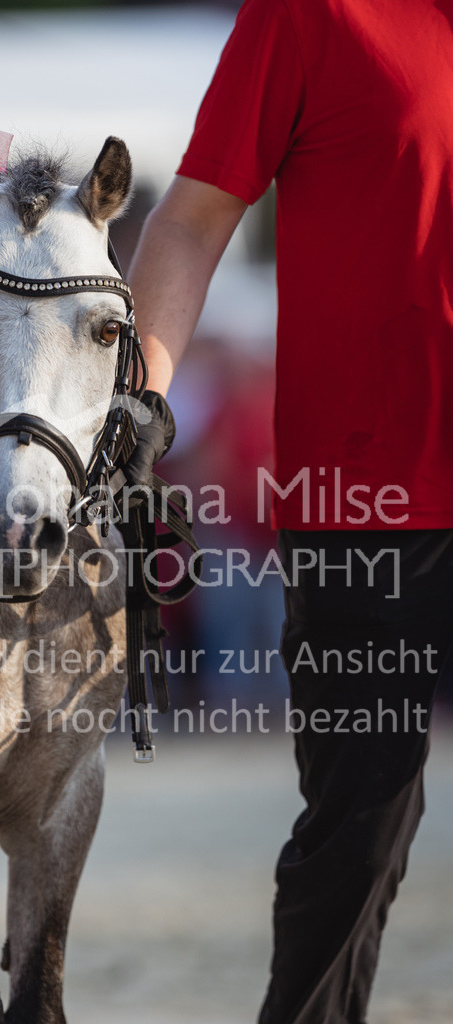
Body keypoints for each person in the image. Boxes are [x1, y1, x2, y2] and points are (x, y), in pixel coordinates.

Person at [123, 0, 453, 1021]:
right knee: (360, 826)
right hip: (366, 492)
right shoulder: (312, 15)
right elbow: (190, 220)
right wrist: (133, 414)